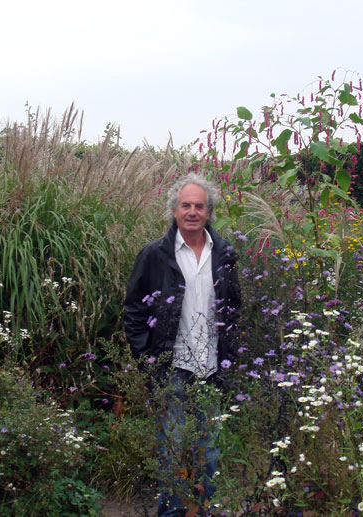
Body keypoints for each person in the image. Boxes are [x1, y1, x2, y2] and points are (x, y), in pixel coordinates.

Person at [123, 173, 241, 516]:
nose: (192, 212)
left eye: (199, 206)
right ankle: (171, 512)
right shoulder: (154, 255)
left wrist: (230, 357)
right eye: (185, 205)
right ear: (174, 210)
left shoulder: (225, 254)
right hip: (171, 366)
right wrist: (146, 358)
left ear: (209, 212)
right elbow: (134, 308)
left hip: (212, 366)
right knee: (170, 448)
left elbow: (234, 307)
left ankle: (202, 509)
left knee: (209, 450)